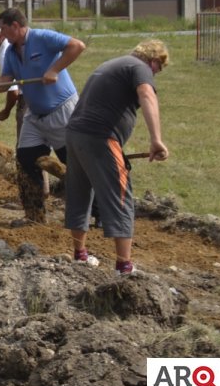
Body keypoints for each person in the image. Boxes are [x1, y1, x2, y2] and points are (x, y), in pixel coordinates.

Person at [0, 8, 85, 223]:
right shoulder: (11, 52)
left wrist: (55, 70)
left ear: (15, 26)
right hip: (35, 115)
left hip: (61, 111)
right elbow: (5, 81)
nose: (0, 34)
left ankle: (97, 212)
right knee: (26, 158)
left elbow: (77, 46)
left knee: (75, 162)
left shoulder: (42, 37)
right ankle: (35, 216)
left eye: (3, 29)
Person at [64, 40, 170, 275]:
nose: (155, 75)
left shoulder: (113, 64)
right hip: (101, 137)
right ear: (154, 61)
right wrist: (156, 139)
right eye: (158, 69)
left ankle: (79, 256)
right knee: (120, 195)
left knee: (80, 193)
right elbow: (146, 94)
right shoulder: (140, 67)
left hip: (75, 134)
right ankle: (124, 266)